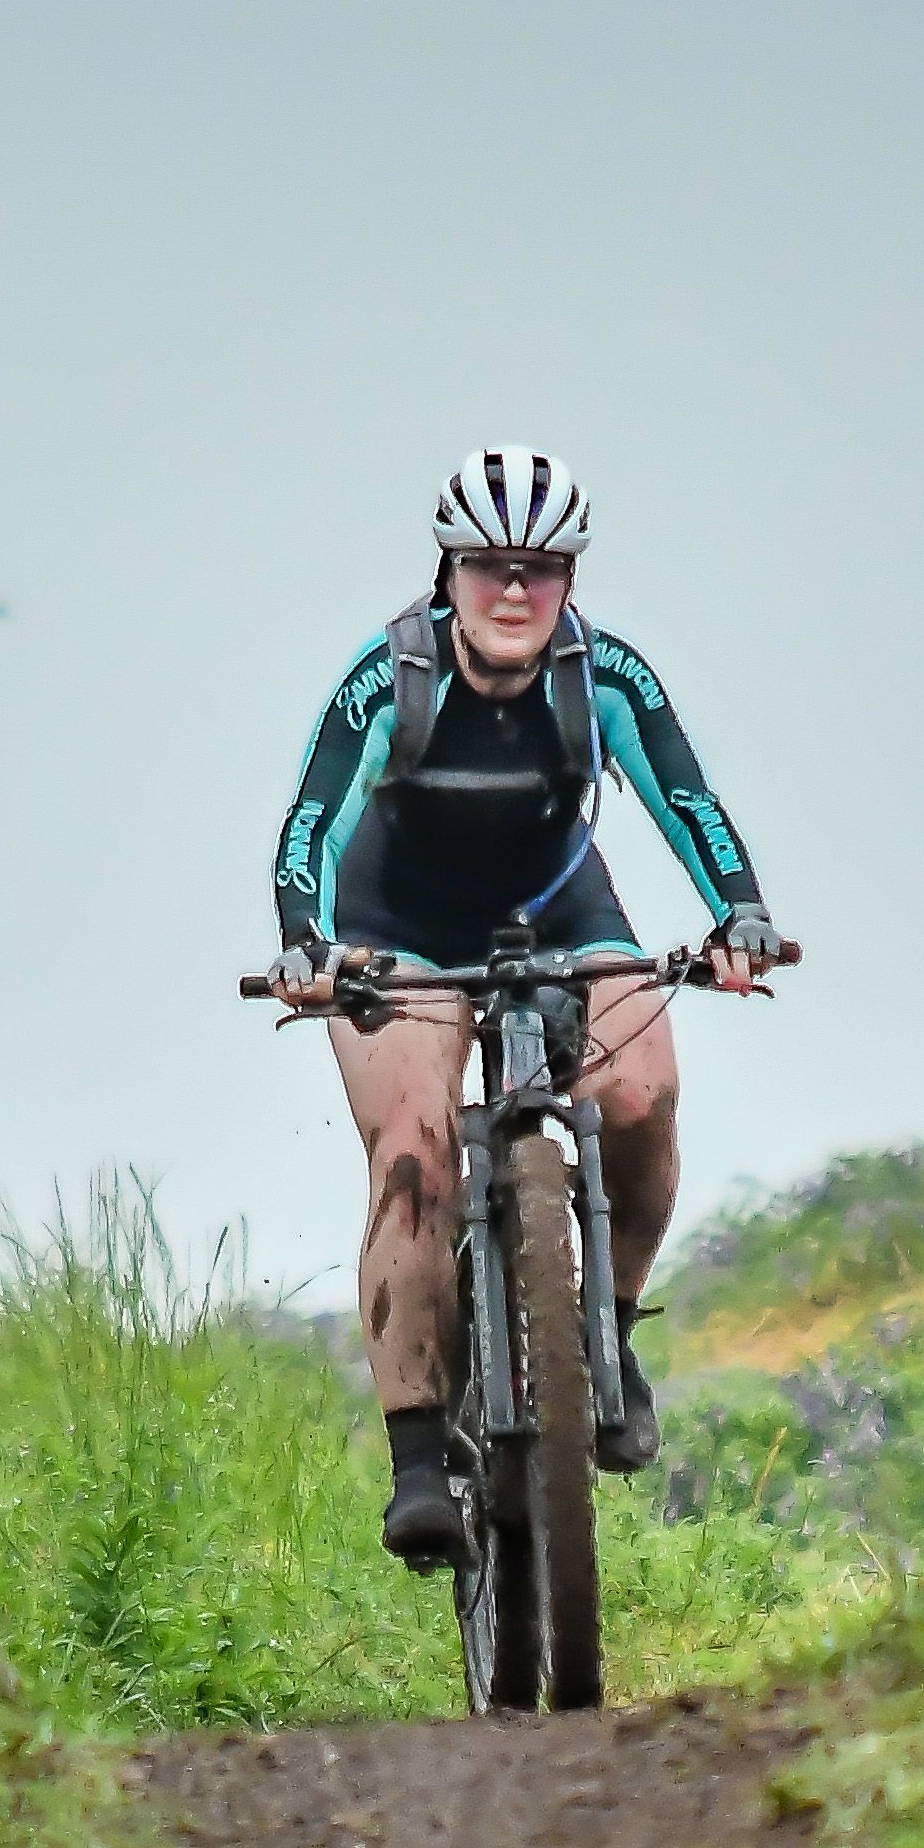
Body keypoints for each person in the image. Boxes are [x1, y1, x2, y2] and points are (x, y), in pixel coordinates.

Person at [265, 447, 784, 1569]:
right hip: (398, 929)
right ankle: (418, 1459)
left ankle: (610, 1332)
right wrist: (307, 945)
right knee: (416, 1150)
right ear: (447, 572)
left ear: (570, 580)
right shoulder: (388, 676)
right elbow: (310, 821)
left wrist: (740, 915)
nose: (514, 590)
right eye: (488, 566)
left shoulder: (605, 676)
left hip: (559, 910)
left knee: (643, 1090)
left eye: (541, 569)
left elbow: (689, 800)